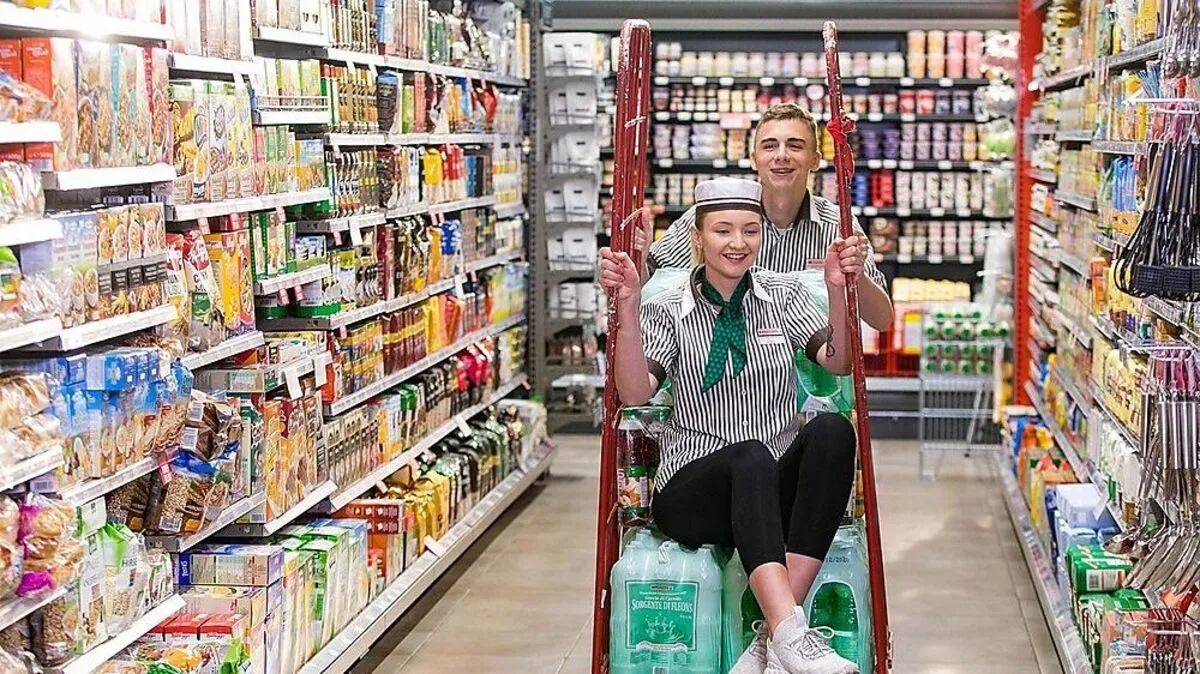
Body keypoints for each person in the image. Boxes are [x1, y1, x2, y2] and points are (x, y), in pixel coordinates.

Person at [600, 177, 862, 674]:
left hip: (765, 496)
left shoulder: (782, 296)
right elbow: (635, 393)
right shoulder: (669, 306)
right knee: (750, 454)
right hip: (693, 494)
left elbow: (838, 361)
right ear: (697, 236)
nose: (738, 242)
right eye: (723, 230)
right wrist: (628, 307)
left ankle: (775, 638)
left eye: (750, 230)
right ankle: (790, 635)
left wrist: (835, 289)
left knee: (832, 432)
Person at [634, 102, 894, 332]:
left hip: (813, 368)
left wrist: (856, 275)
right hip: (726, 367)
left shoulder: (838, 225)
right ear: (754, 159)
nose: (781, 155)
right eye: (769, 146)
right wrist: (639, 258)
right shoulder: (713, 216)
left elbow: (882, 320)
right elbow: (647, 286)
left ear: (815, 160)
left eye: (795, 146)